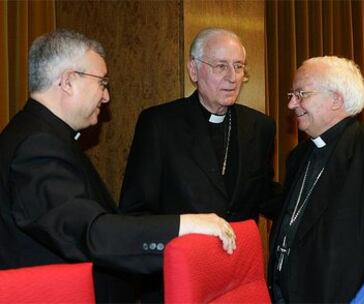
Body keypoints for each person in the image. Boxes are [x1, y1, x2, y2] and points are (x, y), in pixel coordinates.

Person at [0, 29, 237, 304]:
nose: (106, 97)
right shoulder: (37, 145)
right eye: (102, 82)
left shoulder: (42, 135)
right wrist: (187, 224)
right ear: (67, 82)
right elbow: (92, 233)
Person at [120, 27, 281, 302]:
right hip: (177, 279)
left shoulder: (260, 127)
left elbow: (264, 194)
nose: (232, 77)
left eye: (238, 66)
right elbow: (135, 211)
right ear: (194, 70)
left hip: (236, 282)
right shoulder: (159, 124)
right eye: (220, 66)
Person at [268, 56, 364, 303]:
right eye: (291, 94)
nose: (292, 104)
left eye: (301, 93)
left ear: (336, 99)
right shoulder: (298, 156)